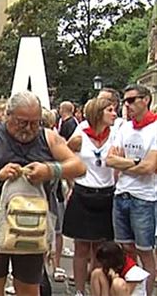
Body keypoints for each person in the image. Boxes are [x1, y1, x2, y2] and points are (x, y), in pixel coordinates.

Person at [0, 90, 86, 295]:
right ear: (8, 116)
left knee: (28, 287)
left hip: (33, 227)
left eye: (35, 123)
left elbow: (79, 166)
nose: (28, 129)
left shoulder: (48, 137)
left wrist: (50, 170)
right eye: (22, 122)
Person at [106, 84, 157, 295]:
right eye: (124, 101)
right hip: (121, 194)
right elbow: (110, 160)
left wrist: (124, 162)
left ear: (145, 100)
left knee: (145, 251)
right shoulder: (124, 127)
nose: (126, 106)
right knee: (126, 249)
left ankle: (145, 292)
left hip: (144, 197)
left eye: (131, 100)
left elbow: (149, 167)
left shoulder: (154, 128)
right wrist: (135, 162)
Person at [64, 98, 118, 295]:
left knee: (100, 248)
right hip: (83, 191)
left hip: (106, 193)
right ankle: (79, 290)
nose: (114, 114)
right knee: (81, 248)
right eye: (110, 110)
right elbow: (66, 158)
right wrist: (71, 183)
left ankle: (97, 289)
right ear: (98, 113)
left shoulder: (115, 134)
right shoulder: (80, 134)